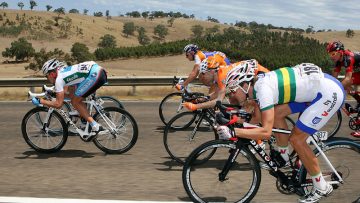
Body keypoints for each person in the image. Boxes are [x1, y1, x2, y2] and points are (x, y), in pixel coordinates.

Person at [216, 62, 345, 203]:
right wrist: (233, 121)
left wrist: (233, 131)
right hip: (314, 89)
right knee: (276, 114)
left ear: (244, 85)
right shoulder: (259, 87)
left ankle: (322, 186)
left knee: (297, 139)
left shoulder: (264, 90)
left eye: (233, 90)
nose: (232, 95)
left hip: (328, 94)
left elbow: (265, 132)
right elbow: (257, 118)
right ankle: (284, 158)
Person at [31, 59, 108, 140]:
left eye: (47, 76)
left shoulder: (59, 80)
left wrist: (41, 101)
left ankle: (95, 126)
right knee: (75, 98)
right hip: (99, 70)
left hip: (94, 75)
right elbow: (68, 93)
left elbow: (58, 104)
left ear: (52, 74)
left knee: (75, 102)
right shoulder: (64, 71)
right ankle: (85, 121)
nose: (47, 79)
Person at [327, 41, 360, 137]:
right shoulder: (338, 60)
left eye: (333, 54)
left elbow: (348, 79)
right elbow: (334, 77)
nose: (331, 56)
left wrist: (336, 90)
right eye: (330, 54)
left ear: (340, 52)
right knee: (346, 84)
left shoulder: (348, 57)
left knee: (348, 80)